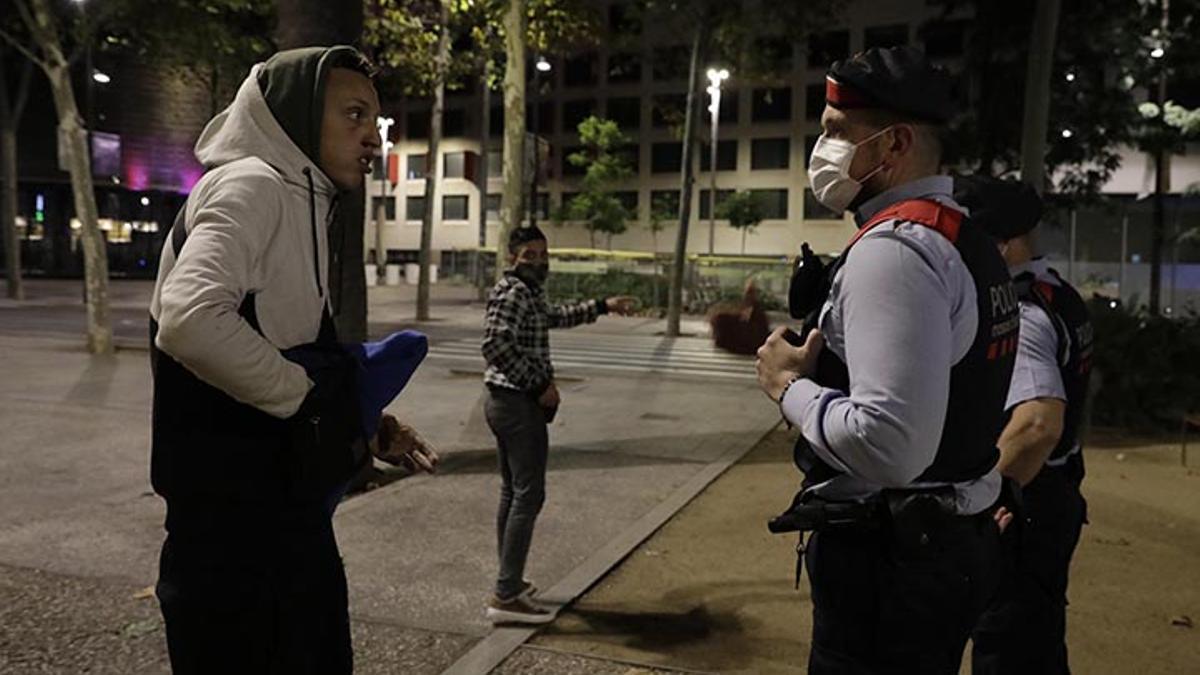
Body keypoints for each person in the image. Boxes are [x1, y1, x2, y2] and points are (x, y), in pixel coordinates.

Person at [149, 47, 433, 674]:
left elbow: (281, 343)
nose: (371, 135)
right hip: (235, 550)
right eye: (353, 115)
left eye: (375, 120)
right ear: (295, 118)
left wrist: (361, 424)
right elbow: (191, 319)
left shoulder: (299, 196)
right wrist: (310, 400)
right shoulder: (253, 185)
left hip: (276, 529)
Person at [755, 46, 1020, 674]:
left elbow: (892, 443)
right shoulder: (965, 237)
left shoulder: (896, 252)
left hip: (893, 564)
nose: (823, 149)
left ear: (893, 143)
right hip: (945, 543)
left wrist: (786, 386)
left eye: (836, 132)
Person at [956, 176, 1094, 675]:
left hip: (1028, 505)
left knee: (1007, 645)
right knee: (1036, 643)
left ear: (1002, 243)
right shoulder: (1060, 294)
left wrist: (985, 497)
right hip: (1056, 492)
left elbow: (1038, 424)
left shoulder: (1024, 312)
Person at [481, 225, 635, 624]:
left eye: (543, 254)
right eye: (529, 254)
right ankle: (506, 594)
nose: (539, 261)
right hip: (516, 404)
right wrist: (539, 386)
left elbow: (552, 317)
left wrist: (602, 305)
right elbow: (495, 343)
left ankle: (509, 581)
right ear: (511, 256)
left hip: (506, 402)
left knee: (512, 492)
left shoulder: (527, 292)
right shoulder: (513, 292)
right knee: (528, 495)